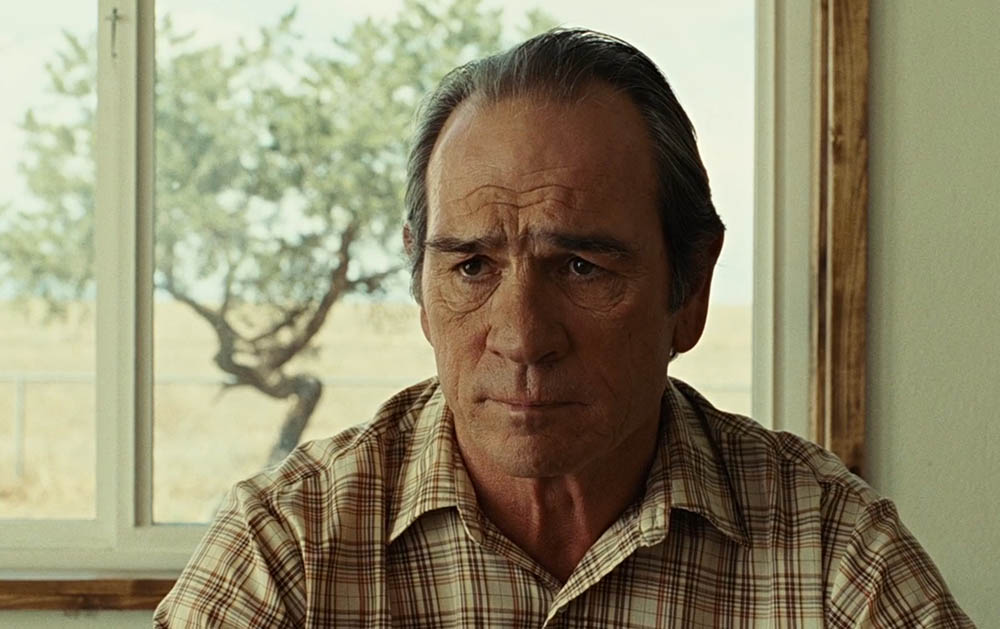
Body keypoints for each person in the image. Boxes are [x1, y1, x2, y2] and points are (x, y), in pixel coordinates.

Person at [154, 29, 972, 627]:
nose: (521, 336)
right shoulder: (289, 550)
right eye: (472, 266)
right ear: (420, 285)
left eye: (581, 266)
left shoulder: (832, 556)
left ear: (690, 288)